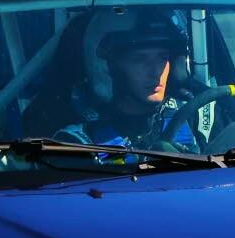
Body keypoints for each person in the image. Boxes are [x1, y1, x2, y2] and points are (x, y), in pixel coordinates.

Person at [56, 15, 197, 154]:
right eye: (139, 59)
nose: (156, 72)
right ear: (109, 66)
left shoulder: (192, 117)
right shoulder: (78, 143)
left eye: (162, 57)